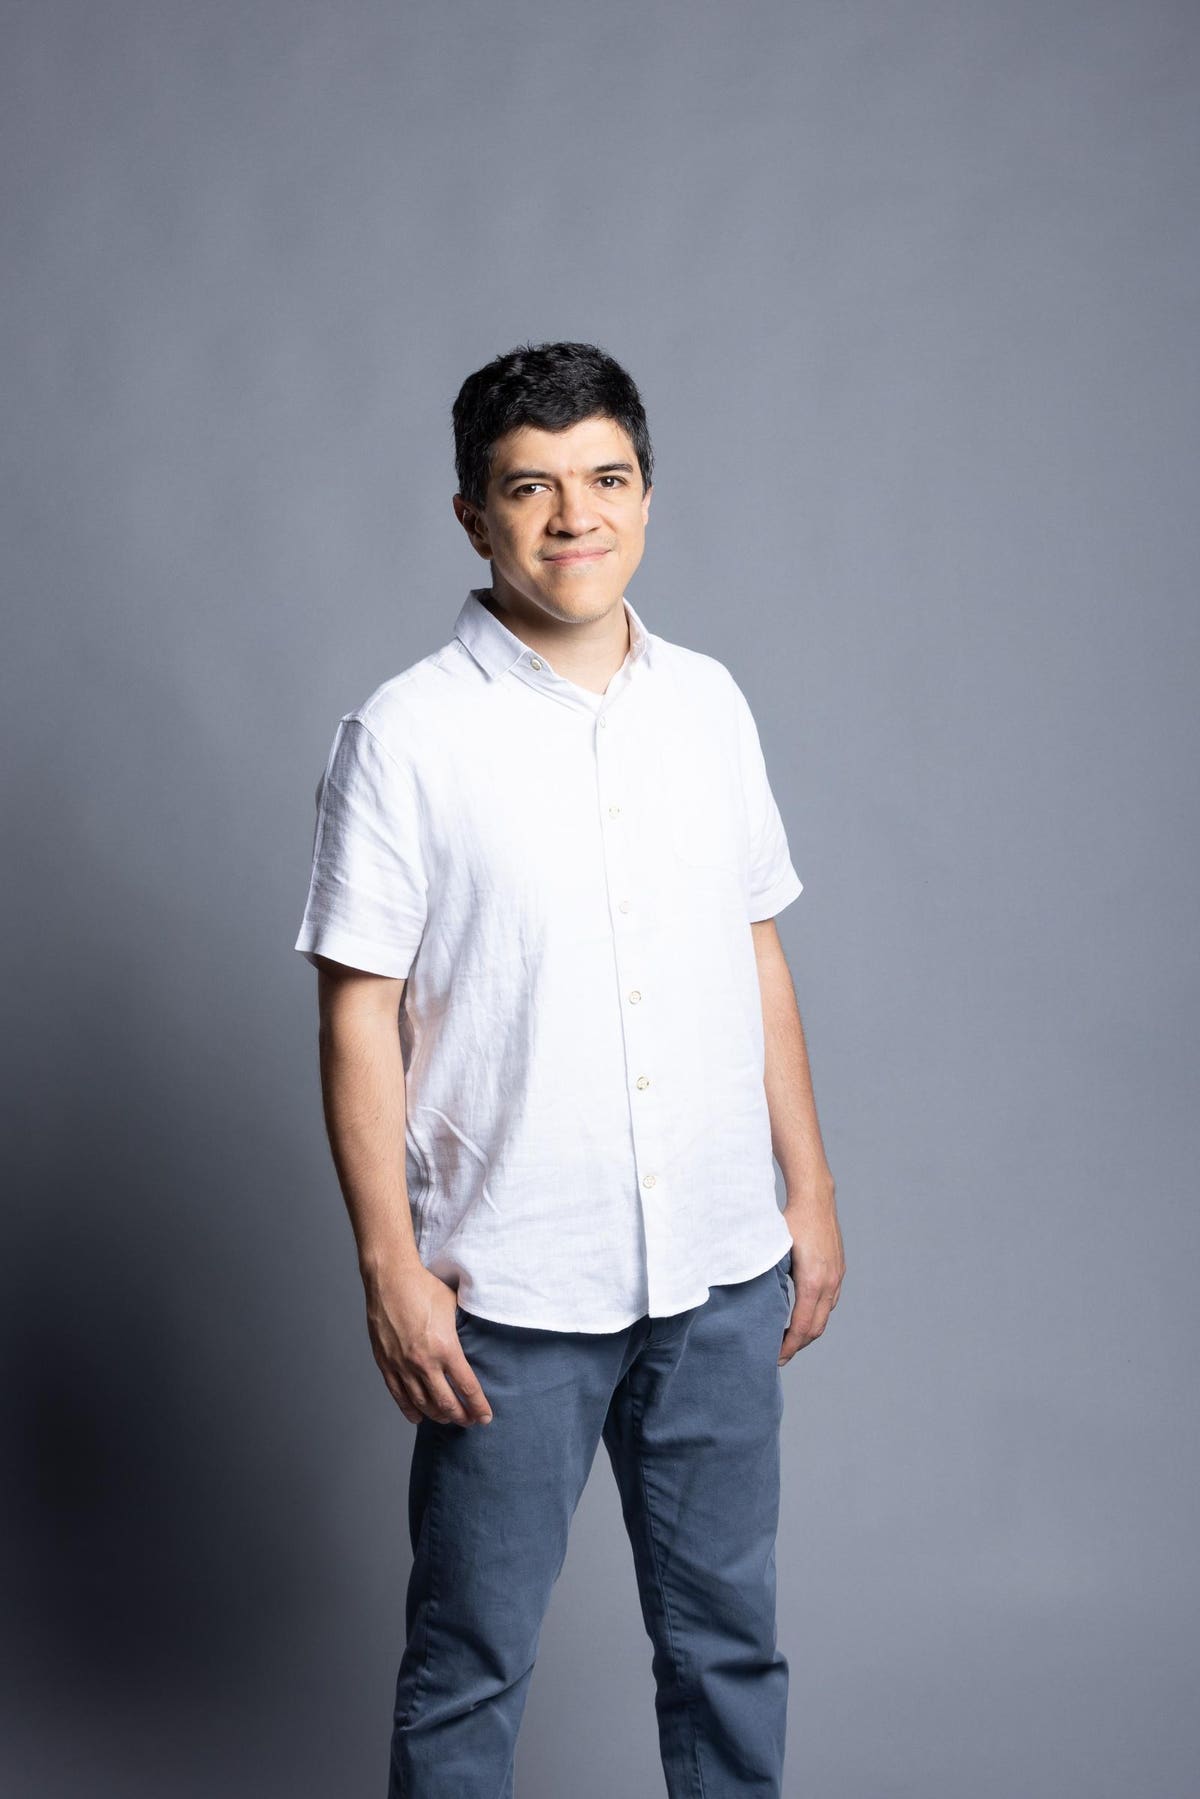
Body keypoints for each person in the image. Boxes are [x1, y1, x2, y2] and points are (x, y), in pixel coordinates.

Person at [294, 339, 845, 1798]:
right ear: (473, 516)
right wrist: (388, 1266)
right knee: (468, 1664)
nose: (573, 516)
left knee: (729, 1649)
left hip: (721, 1272)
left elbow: (756, 952)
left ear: (647, 495)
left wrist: (809, 1190)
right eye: (529, 487)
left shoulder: (710, 703)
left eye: (605, 479)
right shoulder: (404, 738)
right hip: (513, 1294)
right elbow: (357, 1018)